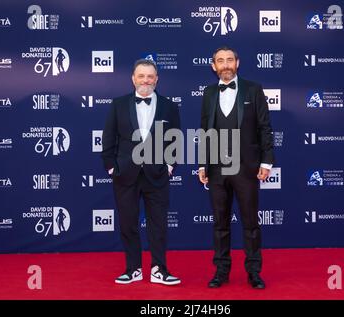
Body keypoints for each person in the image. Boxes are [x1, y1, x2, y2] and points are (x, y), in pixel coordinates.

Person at [198, 46, 274, 289]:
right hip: (217, 168)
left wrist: (266, 160)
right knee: (220, 223)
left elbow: (265, 127)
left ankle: (254, 272)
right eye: (220, 61)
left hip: (246, 167)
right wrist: (203, 163)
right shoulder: (209, 93)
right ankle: (221, 271)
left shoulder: (253, 89)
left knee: (250, 223)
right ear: (214, 66)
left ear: (237, 63)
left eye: (229, 60)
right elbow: (205, 131)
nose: (225, 65)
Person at [101, 59, 181, 286]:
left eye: (150, 76)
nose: (145, 80)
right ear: (133, 79)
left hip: (157, 175)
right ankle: (133, 269)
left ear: (156, 79)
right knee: (128, 224)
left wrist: (169, 166)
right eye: (141, 76)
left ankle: (159, 269)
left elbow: (174, 140)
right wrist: (111, 167)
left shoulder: (169, 106)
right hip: (125, 174)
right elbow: (108, 140)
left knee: (159, 225)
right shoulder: (118, 105)